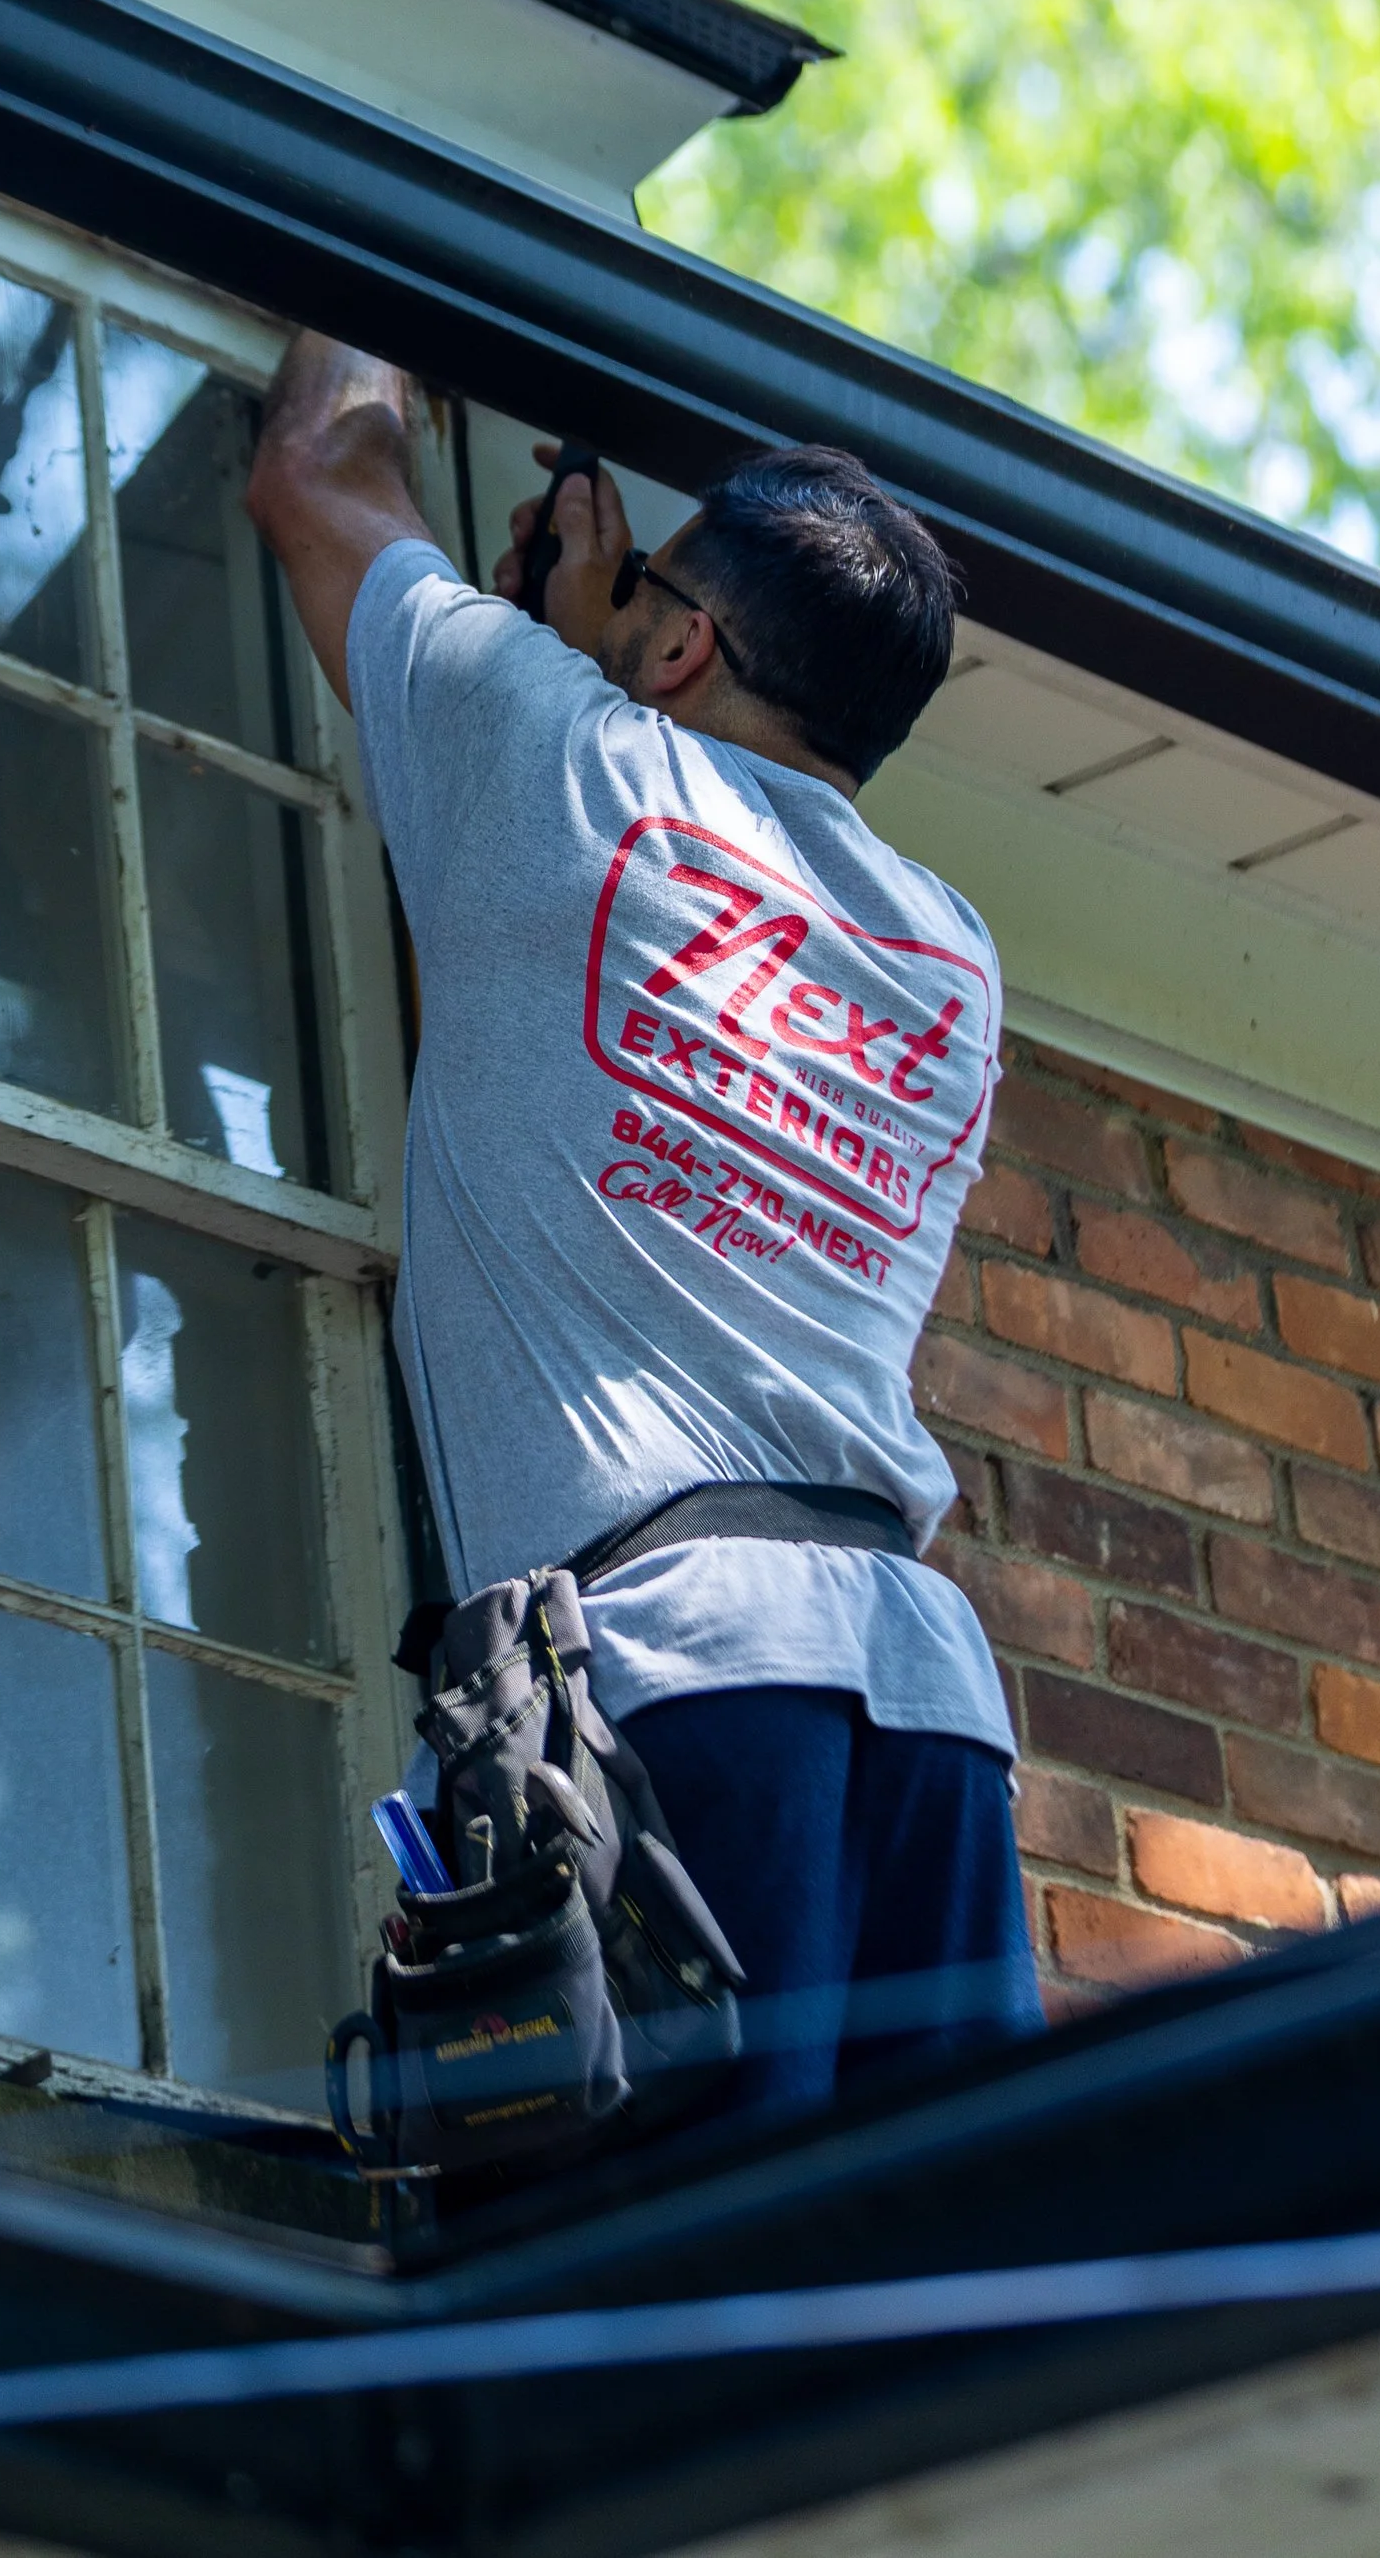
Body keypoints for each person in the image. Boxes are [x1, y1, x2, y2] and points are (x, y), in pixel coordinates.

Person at [247, 336, 1042, 2116]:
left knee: (666, 2299)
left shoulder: (565, 760)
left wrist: (376, 242)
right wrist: (599, 624)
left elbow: (319, 471)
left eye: (653, 603)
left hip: (687, 1683)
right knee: (946, 2339)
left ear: (685, 645)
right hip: (925, 1707)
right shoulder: (952, 957)